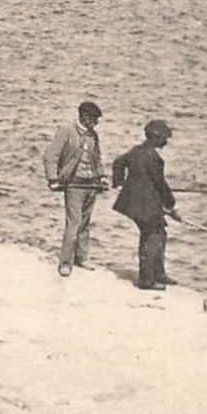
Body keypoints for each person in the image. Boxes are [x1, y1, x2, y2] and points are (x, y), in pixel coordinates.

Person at [111, 120, 180, 291]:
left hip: (133, 203)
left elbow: (118, 163)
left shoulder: (136, 151)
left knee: (159, 233)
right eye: (164, 138)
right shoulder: (154, 159)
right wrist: (173, 207)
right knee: (152, 236)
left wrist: (119, 183)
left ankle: (158, 273)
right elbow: (161, 185)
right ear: (156, 138)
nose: (166, 142)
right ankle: (147, 280)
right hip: (144, 206)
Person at [45, 100, 107, 277]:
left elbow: (98, 158)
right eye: (94, 120)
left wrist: (101, 177)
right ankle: (66, 262)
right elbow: (51, 155)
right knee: (74, 223)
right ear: (84, 117)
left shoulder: (93, 135)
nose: (95, 124)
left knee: (85, 223)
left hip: (91, 184)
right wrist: (53, 179)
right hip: (74, 184)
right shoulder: (66, 130)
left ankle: (82, 257)